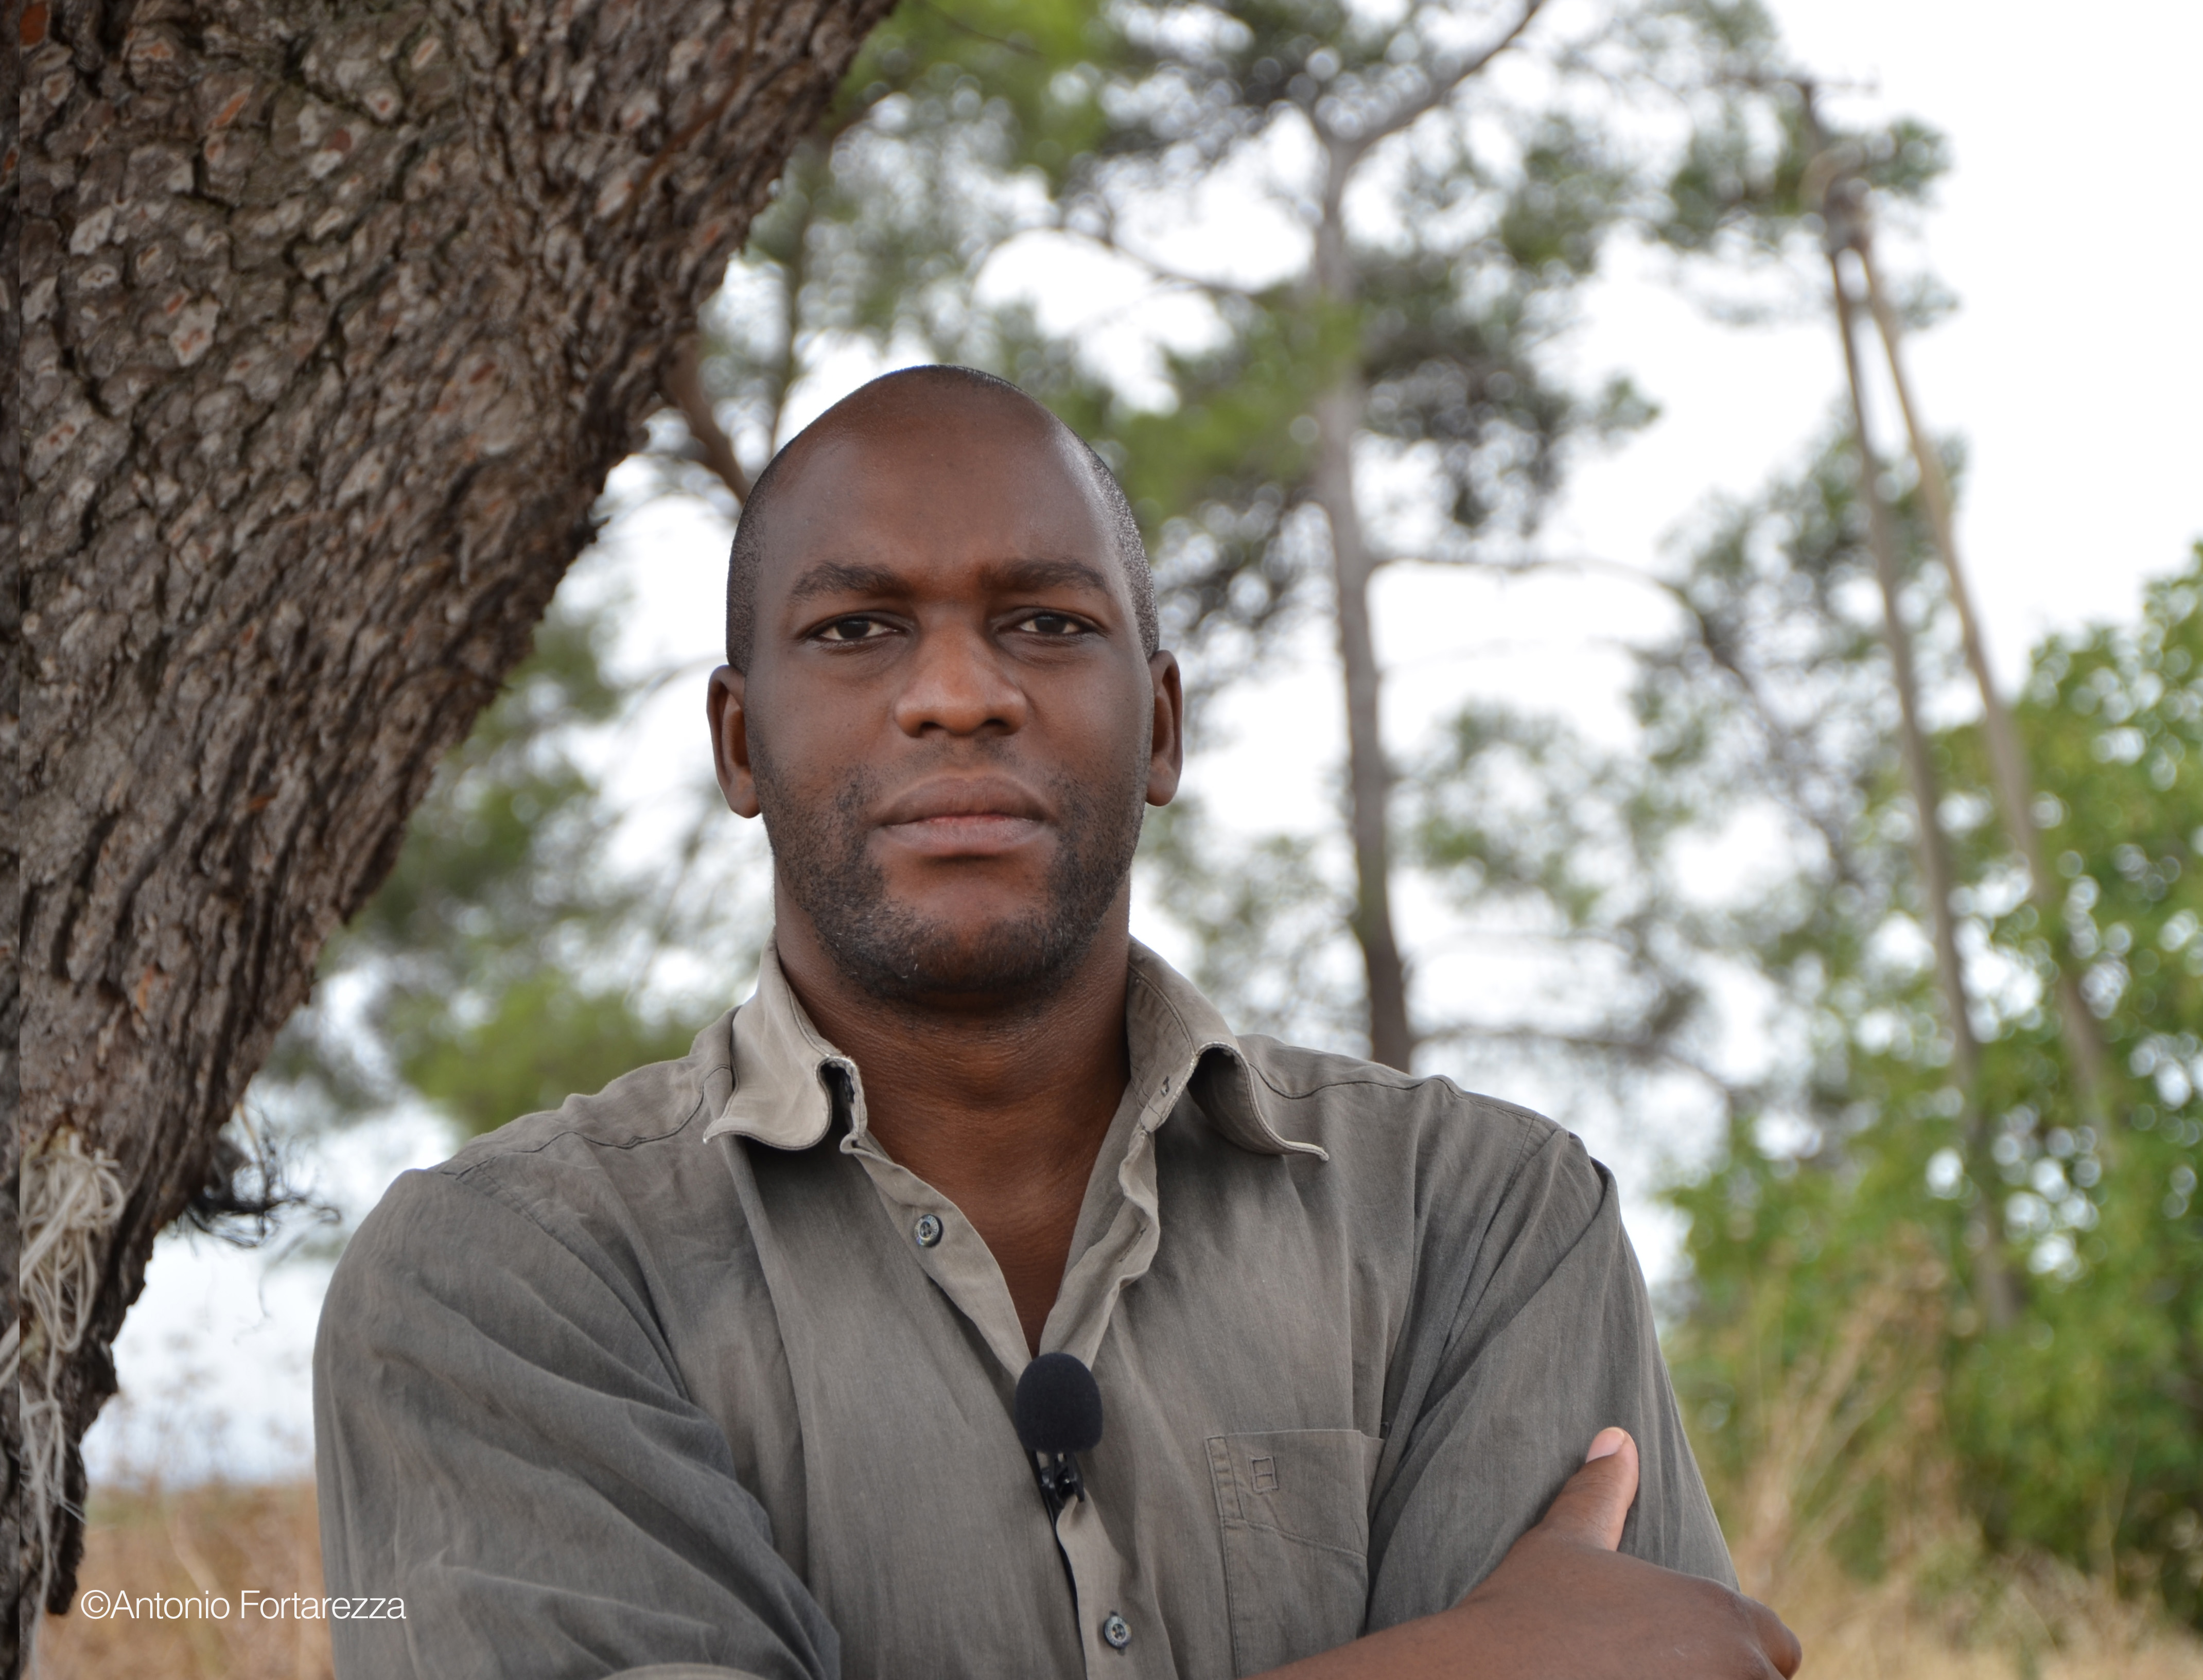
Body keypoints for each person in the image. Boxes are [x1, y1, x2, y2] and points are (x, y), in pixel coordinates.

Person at [313, 365, 1802, 1680]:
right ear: (740, 741)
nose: (960, 695)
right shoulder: (510, 1279)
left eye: (1044, 622)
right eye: (856, 628)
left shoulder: (1479, 1224)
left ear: (1160, 727)